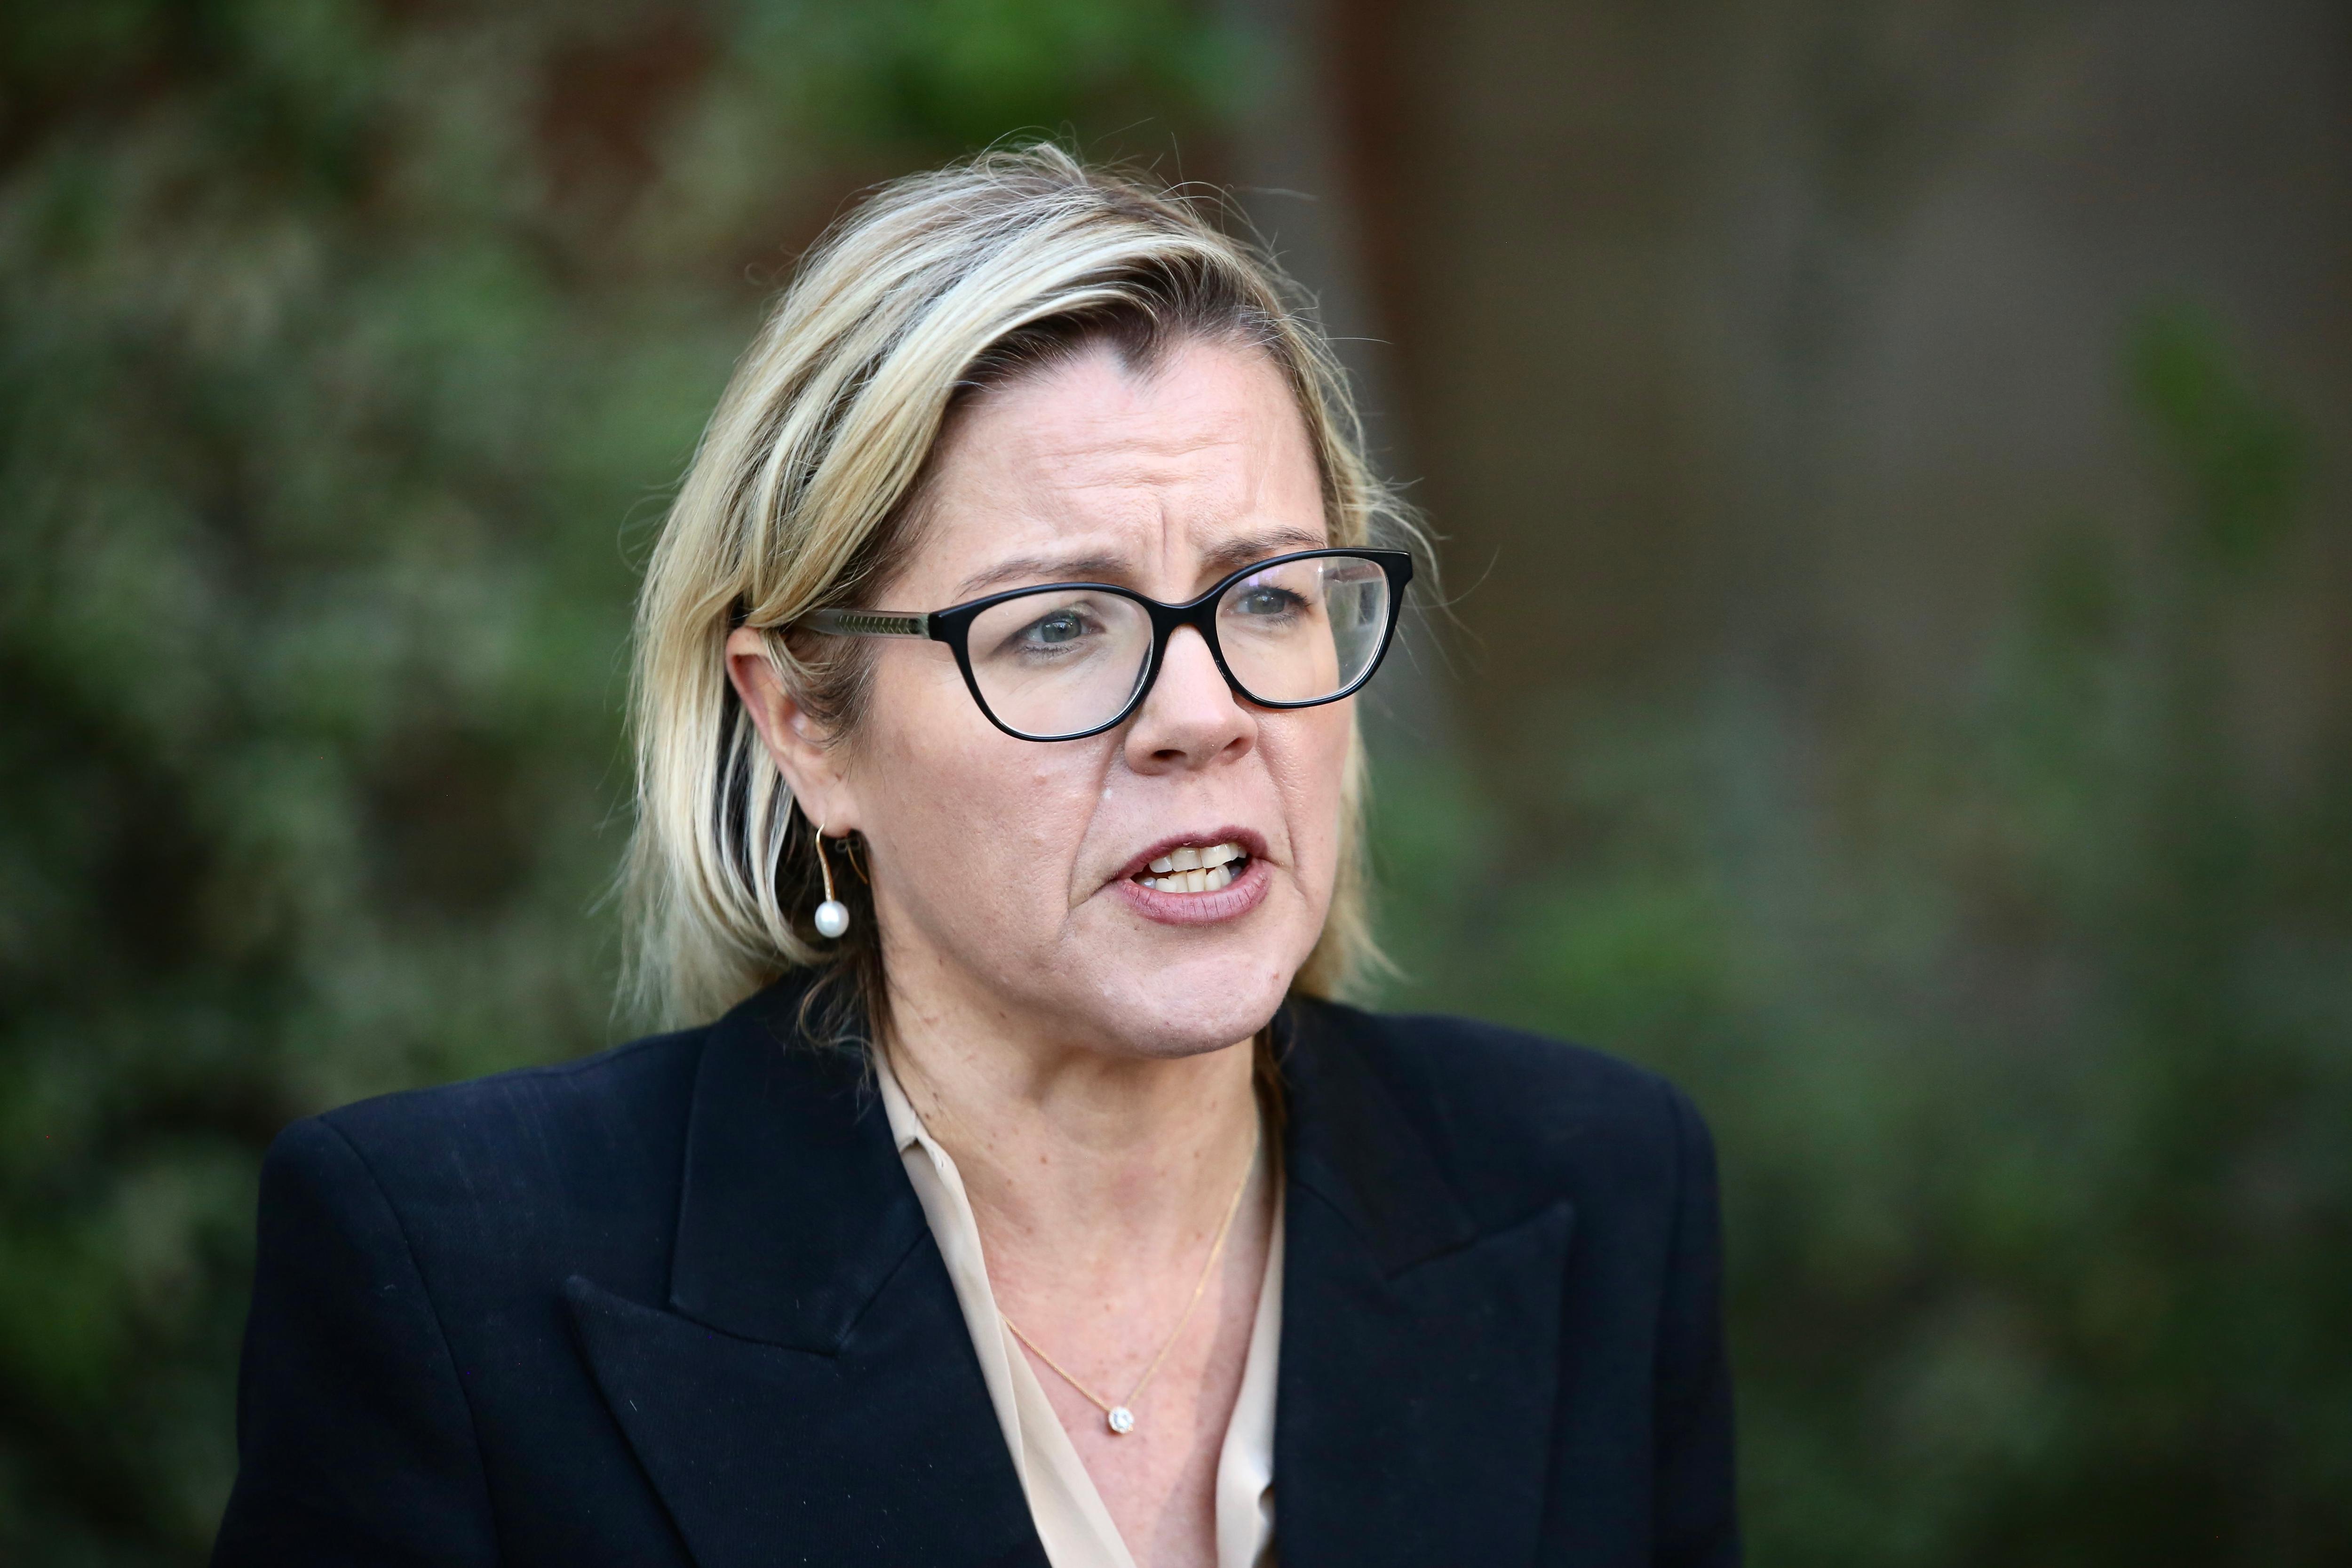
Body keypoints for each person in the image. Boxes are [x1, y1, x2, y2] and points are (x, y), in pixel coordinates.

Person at [213, 146, 1737, 1568]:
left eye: (1269, 596)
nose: (1201, 715)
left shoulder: (1595, 1189)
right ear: (803, 725)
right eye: (1059, 626)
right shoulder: (450, 1273)